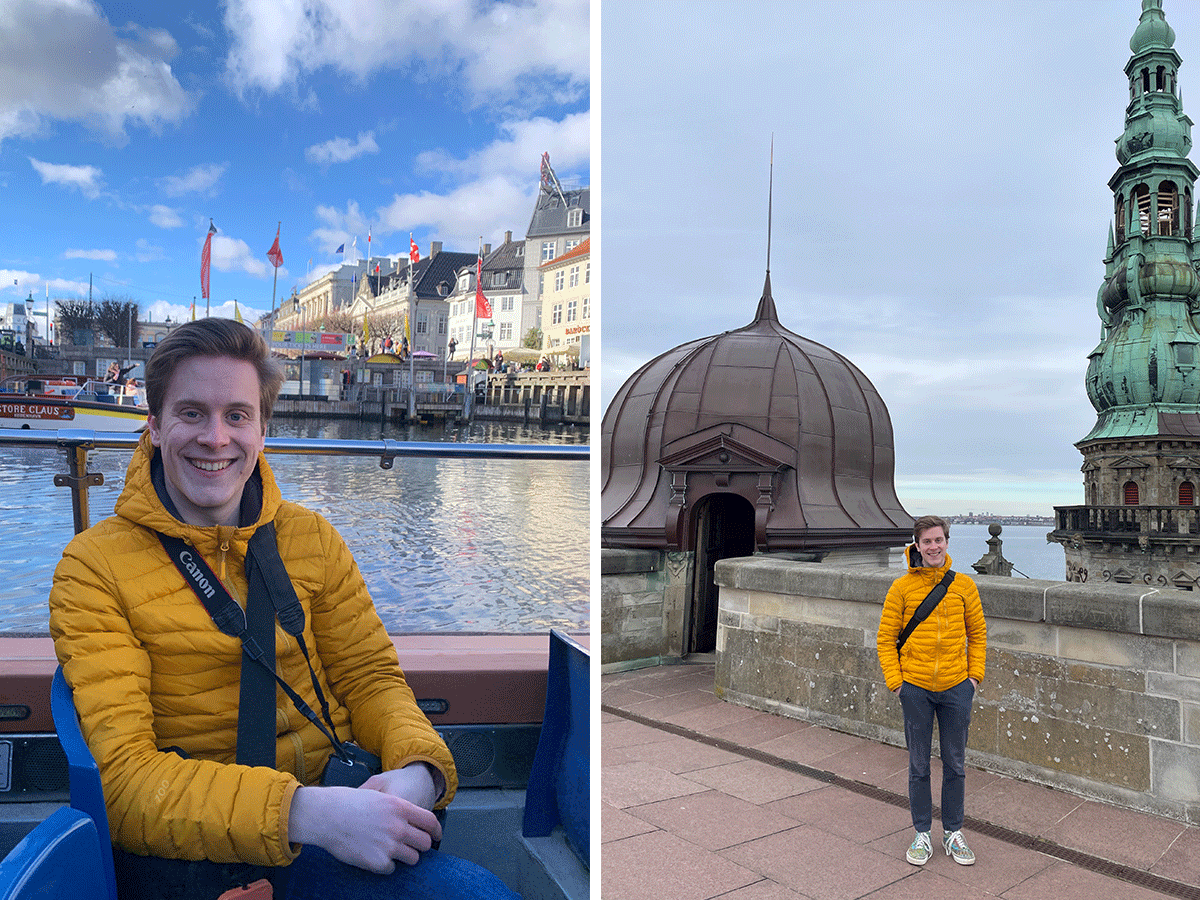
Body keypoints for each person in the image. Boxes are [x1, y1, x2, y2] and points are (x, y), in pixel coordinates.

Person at [50, 319, 519, 900]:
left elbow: (371, 680)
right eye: (191, 413)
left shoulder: (312, 538)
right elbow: (121, 784)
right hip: (209, 852)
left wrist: (419, 770)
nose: (216, 438)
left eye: (237, 416)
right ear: (155, 425)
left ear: (263, 430)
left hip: (344, 809)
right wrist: (312, 815)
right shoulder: (93, 567)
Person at [876, 514, 986, 868]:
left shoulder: (964, 586)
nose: (934, 547)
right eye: (927, 541)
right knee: (919, 765)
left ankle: (953, 831)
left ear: (947, 543)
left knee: (955, 764)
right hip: (915, 689)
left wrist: (973, 679)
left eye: (939, 540)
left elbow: (978, 635)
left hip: (956, 688)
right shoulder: (901, 588)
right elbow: (885, 639)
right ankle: (922, 832)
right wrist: (897, 684)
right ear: (917, 546)